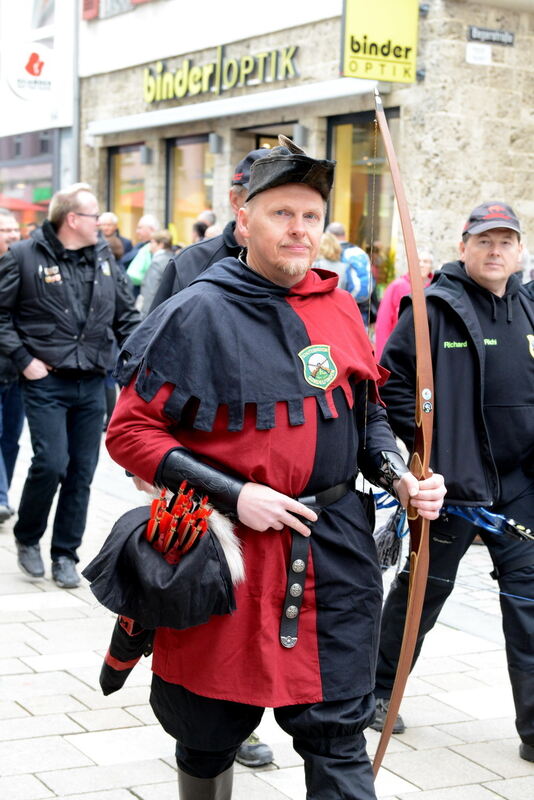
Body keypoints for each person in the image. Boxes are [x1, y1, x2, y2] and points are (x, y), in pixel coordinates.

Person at [106, 137, 445, 799]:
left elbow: (365, 413)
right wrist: (235, 494)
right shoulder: (197, 311)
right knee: (205, 732)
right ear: (244, 220)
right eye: (281, 213)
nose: (299, 229)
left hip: (334, 552)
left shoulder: (341, 306)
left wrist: (397, 473)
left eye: (311, 216)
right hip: (227, 561)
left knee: (341, 738)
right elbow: (130, 434)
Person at [371, 201, 534, 764]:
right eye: (484, 241)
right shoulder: (434, 309)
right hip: (452, 489)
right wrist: (423, 462)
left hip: (519, 486)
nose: (495, 251)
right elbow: (389, 388)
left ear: (519, 251)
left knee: (529, 602)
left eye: (505, 242)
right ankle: (376, 692)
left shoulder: (530, 308)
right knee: (422, 595)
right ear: (464, 246)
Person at [146, 146, 273, 770]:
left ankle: (238, 716)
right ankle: (206, 729)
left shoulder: (300, 271)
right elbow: (147, 356)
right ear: (237, 200)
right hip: (196, 470)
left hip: (271, 479)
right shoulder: (191, 265)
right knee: (195, 598)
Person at [0, 183, 140, 588]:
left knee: (81, 471)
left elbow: (126, 316)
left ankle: (65, 553)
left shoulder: (103, 257)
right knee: (51, 463)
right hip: (46, 381)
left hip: (93, 381)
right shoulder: (23, 257)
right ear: (73, 219)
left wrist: (142, 354)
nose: (102, 223)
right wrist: (25, 362)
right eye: (95, 215)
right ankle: (28, 537)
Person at [149, 148, 269, 309]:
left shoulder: (298, 265)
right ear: (235, 200)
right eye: (260, 196)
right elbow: (157, 330)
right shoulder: (191, 262)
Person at [0, 210, 25, 521]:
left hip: (18, 372)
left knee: (11, 438)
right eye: (5, 229)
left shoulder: (25, 266)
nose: (12, 234)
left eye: (14, 228)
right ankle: (2, 497)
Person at [374, 249, 434, 360]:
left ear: (431, 265)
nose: (421, 265)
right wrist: (382, 359)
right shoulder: (396, 286)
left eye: (425, 261)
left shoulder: (436, 288)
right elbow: (383, 323)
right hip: (400, 351)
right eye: (418, 261)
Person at [137, 229, 173, 318]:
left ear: (160, 244)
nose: (150, 245)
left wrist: (145, 316)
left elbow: (150, 291)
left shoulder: (157, 262)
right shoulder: (172, 259)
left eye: (152, 242)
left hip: (153, 313)